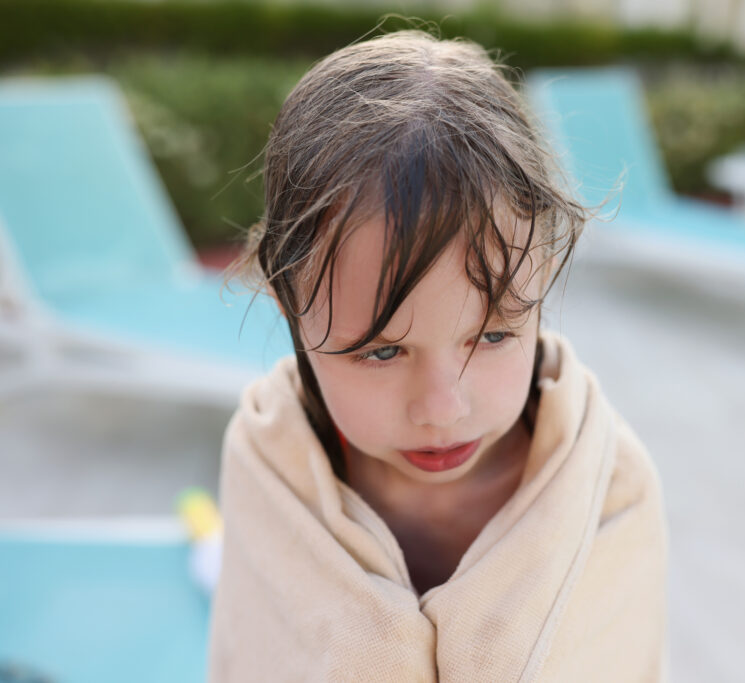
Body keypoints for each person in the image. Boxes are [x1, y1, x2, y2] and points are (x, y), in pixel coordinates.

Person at [208, 29, 668, 681]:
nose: (442, 408)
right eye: (384, 350)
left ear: (541, 286)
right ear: (290, 309)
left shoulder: (609, 487)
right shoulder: (270, 469)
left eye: (494, 335)